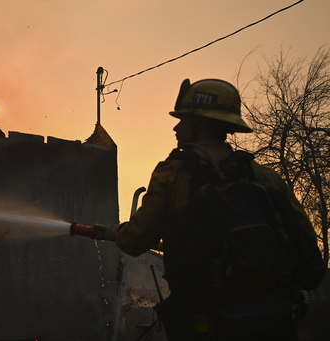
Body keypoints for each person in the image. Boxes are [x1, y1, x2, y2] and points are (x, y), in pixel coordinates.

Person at [92, 78, 317, 341]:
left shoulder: (173, 173)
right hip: (276, 319)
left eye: (183, 119)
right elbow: (306, 245)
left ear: (201, 123)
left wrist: (117, 232)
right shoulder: (265, 178)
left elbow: (135, 240)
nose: (177, 127)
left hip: (207, 323)